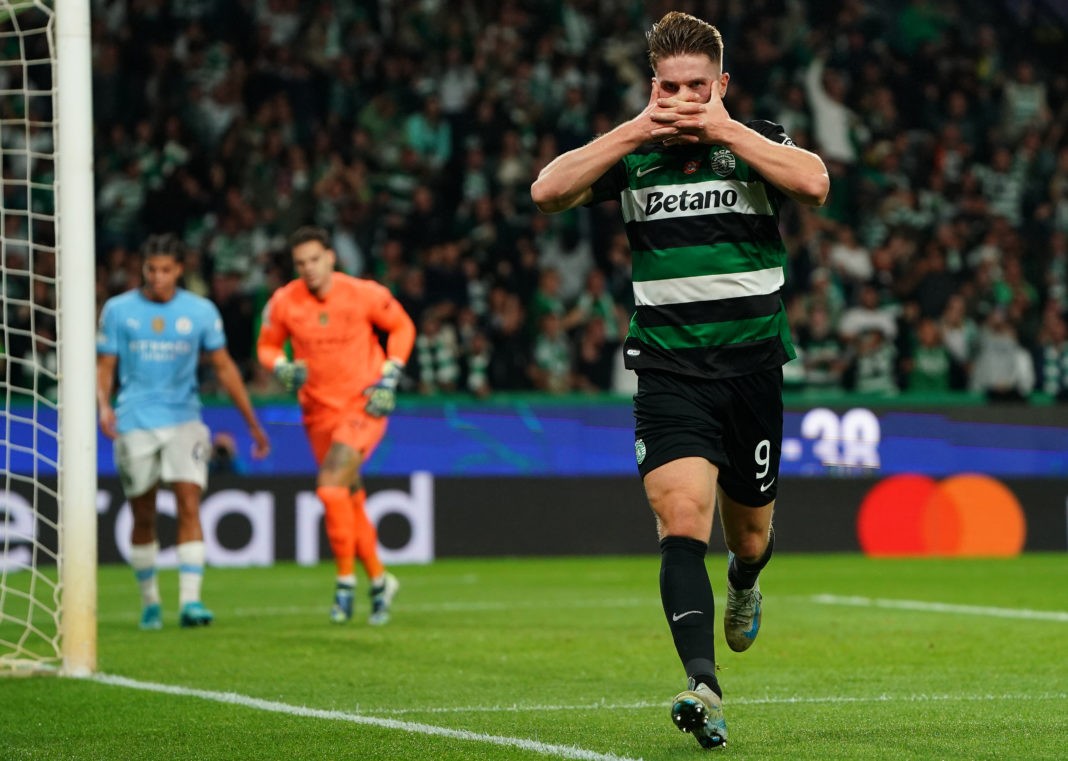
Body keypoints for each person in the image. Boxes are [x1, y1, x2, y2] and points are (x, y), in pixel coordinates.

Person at [530, 11, 829, 750]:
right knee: (680, 518)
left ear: (721, 84)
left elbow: (816, 184)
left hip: (753, 369)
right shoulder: (637, 155)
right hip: (668, 371)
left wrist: (726, 129)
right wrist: (636, 129)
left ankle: (745, 581)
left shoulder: (756, 140)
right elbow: (547, 191)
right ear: (653, 85)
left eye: (700, 85)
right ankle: (705, 683)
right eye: (672, 86)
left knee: (751, 533)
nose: (686, 98)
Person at [96, 234, 271, 631]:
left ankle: (191, 602)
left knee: (189, 503)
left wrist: (253, 426)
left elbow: (225, 368)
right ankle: (150, 602)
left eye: (166, 270)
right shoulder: (119, 311)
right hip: (135, 420)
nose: (158, 277)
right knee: (143, 514)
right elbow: (105, 366)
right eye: (151, 269)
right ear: (142, 269)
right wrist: (103, 406)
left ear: (180, 271)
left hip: (185, 419)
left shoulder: (201, 311)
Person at [256, 226, 416, 626]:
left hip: (364, 405)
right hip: (317, 413)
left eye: (314, 259)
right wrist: (282, 367)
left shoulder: (363, 293)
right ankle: (380, 581)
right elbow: (267, 345)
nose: (308, 268)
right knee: (348, 496)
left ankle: (345, 584)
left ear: (331, 257)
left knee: (329, 487)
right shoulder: (283, 302)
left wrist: (390, 374)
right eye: (300, 263)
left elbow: (402, 327)